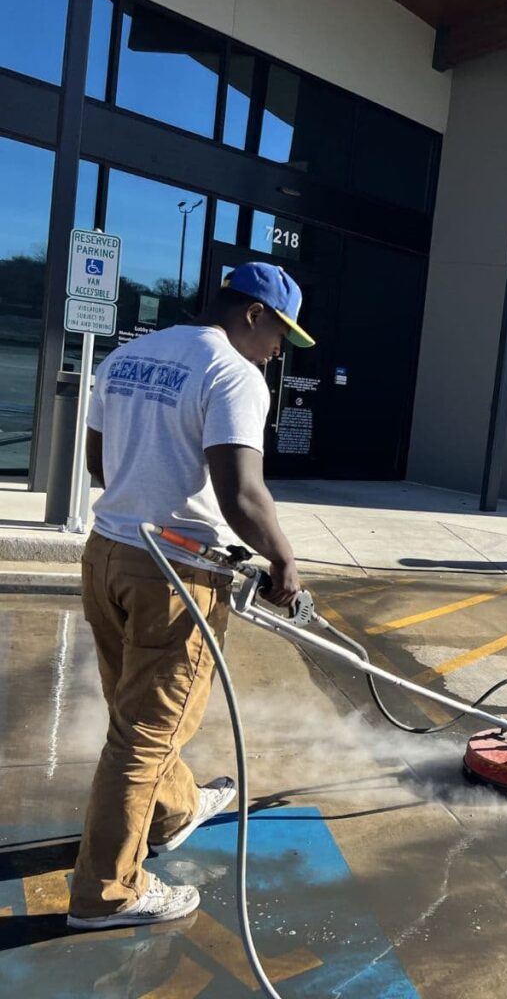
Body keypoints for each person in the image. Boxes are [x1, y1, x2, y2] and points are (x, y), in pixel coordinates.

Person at [67, 262, 315, 930]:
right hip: (173, 576)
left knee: (137, 710)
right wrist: (283, 559)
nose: (279, 351)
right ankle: (106, 893)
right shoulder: (233, 373)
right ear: (253, 314)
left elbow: (98, 464)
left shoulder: (127, 356)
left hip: (108, 555)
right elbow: (241, 496)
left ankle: (176, 810)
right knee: (146, 732)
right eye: (280, 334)